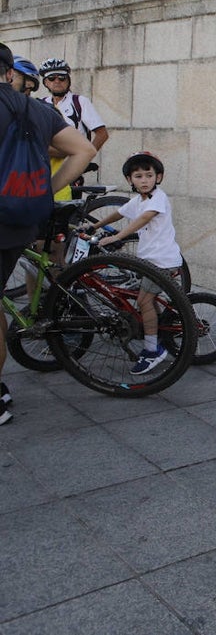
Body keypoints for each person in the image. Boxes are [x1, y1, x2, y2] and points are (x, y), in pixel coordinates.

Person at [0, 42, 96, 426]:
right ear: (10, 74)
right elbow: (84, 149)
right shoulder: (37, 109)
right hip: (23, 217)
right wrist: (46, 189)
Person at [84, 152, 185, 376]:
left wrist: (118, 237)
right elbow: (119, 214)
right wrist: (94, 226)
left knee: (144, 302)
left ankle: (152, 351)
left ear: (158, 177)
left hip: (162, 261)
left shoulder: (158, 198)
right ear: (130, 180)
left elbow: (143, 219)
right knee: (146, 299)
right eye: (138, 176)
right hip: (149, 261)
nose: (144, 180)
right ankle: (155, 333)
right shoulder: (139, 200)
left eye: (149, 175)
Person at [38, 58, 109, 202]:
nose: (57, 81)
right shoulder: (41, 104)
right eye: (51, 78)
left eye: (62, 77)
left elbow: (102, 134)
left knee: (65, 216)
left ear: (68, 80)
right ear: (45, 82)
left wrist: (83, 159)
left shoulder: (79, 102)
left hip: (69, 165)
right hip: (46, 167)